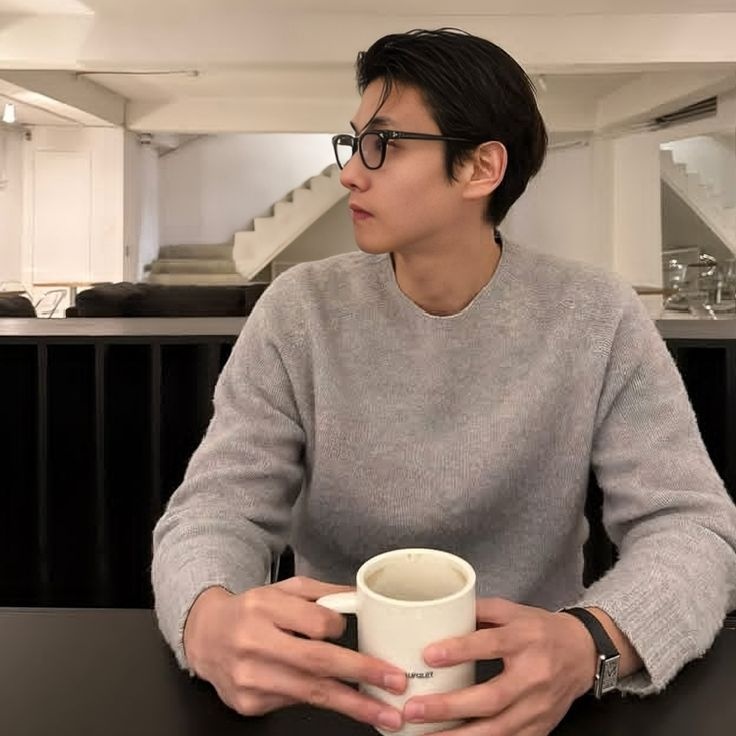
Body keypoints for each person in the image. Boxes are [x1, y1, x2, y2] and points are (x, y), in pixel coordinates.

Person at [152, 28, 736, 736]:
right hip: (330, 690)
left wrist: (592, 644)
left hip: (534, 695)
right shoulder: (300, 310)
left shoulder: (595, 315)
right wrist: (207, 619)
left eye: (383, 144)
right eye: (353, 143)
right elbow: (216, 510)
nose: (350, 173)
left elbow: (693, 526)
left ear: (480, 168)